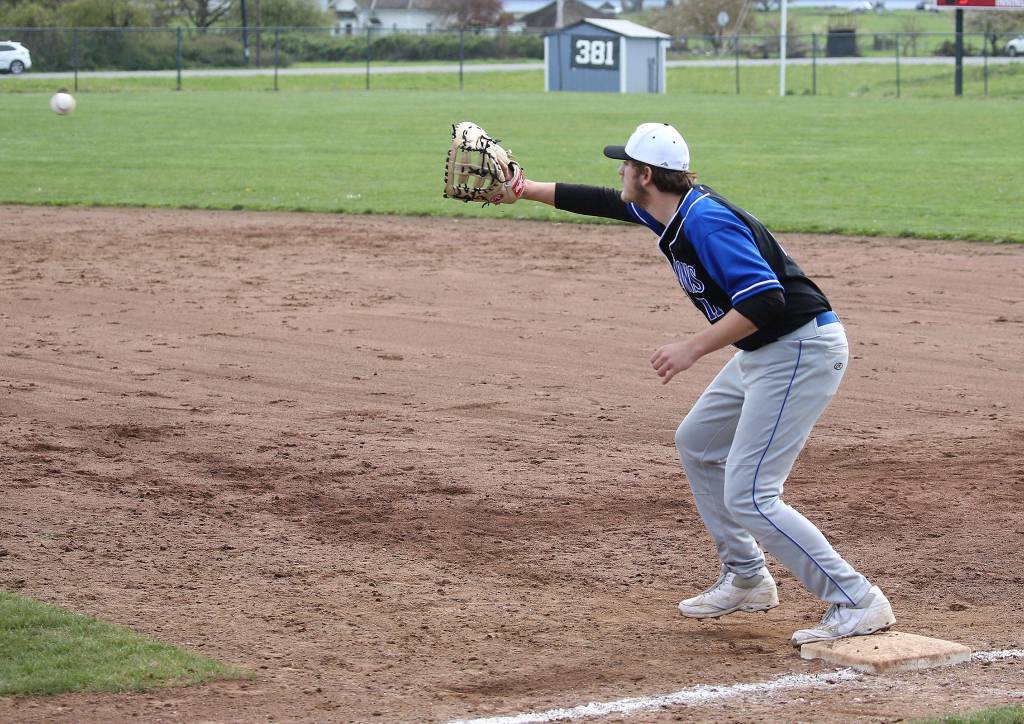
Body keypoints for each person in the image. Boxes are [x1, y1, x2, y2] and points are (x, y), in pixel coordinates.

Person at [510, 122, 896, 646]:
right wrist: (523, 189)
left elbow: (765, 301)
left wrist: (692, 347)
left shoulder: (707, 223)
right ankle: (747, 578)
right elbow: (604, 201)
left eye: (625, 164)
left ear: (646, 175)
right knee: (698, 442)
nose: (619, 171)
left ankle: (855, 600)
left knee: (752, 494)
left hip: (799, 349)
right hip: (769, 349)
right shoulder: (671, 206)